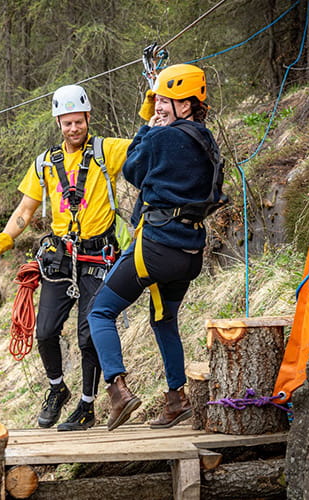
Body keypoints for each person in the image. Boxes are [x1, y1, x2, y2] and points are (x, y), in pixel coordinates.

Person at [0, 84, 130, 431]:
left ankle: (87, 406)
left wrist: (157, 109)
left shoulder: (107, 151)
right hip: (61, 257)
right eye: (67, 123)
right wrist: (2, 240)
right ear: (59, 123)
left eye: (78, 122)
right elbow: (26, 209)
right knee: (45, 331)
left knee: (89, 333)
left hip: (99, 256)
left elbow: (145, 145)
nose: (74, 129)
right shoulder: (45, 163)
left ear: (88, 118)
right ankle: (57, 388)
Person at [88, 64, 224, 431]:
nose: (158, 107)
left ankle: (117, 389)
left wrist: (146, 126)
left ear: (187, 103)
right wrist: (157, 116)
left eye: (165, 101)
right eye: (157, 101)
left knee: (99, 313)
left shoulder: (162, 137)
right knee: (164, 320)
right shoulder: (205, 138)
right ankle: (176, 400)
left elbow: (131, 169)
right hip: (190, 250)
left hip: (157, 246)